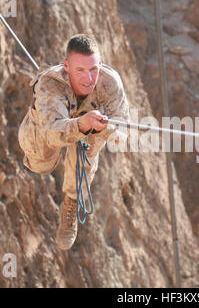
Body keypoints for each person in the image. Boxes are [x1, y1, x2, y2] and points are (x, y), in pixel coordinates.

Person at [18, 34, 130, 250]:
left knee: (89, 151)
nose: (89, 78)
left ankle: (71, 200)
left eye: (93, 69)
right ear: (66, 66)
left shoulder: (110, 83)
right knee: (41, 164)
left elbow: (121, 133)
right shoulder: (51, 83)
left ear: (100, 64)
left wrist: (107, 128)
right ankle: (44, 125)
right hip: (52, 125)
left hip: (91, 126)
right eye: (80, 70)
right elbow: (52, 134)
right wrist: (80, 124)